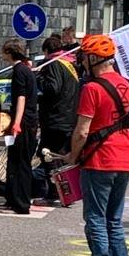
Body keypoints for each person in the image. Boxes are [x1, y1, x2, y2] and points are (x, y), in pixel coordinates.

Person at [64, 35, 129, 256]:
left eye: (84, 56)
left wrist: (72, 156)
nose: (82, 61)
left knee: (95, 217)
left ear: (93, 58)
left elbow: (82, 131)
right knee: (114, 219)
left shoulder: (91, 88)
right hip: (126, 156)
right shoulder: (126, 84)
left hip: (100, 158)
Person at [35, 34, 80, 203]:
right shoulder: (69, 63)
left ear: (46, 51)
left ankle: (54, 193)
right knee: (62, 157)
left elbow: (52, 88)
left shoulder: (53, 64)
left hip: (55, 119)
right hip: (68, 117)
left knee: (48, 156)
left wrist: (39, 77)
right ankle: (67, 193)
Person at [0, 39, 39, 214]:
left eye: (4, 52)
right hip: (28, 120)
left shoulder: (19, 71)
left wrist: (16, 122)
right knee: (14, 160)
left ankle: (21, 202)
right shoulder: (25, 68)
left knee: (21, 162)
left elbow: (21, 97)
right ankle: (12, 198)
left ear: (9, 53)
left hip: (23, 121)